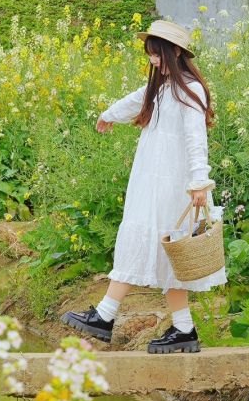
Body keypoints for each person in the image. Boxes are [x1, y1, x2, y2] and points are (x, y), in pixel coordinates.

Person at [63, 18, 225, 354]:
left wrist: (199, 183)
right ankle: (184, 331)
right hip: (152, 182)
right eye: (150, 55)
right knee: (167, 258)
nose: (153, 60)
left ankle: (105, 316)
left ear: (177, 52)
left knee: (155, 245)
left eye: (158, 54)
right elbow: (135, 100)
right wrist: (108, 114)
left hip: (171, 187)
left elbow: (197, 141)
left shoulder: (189, 90)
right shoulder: (163, 87)